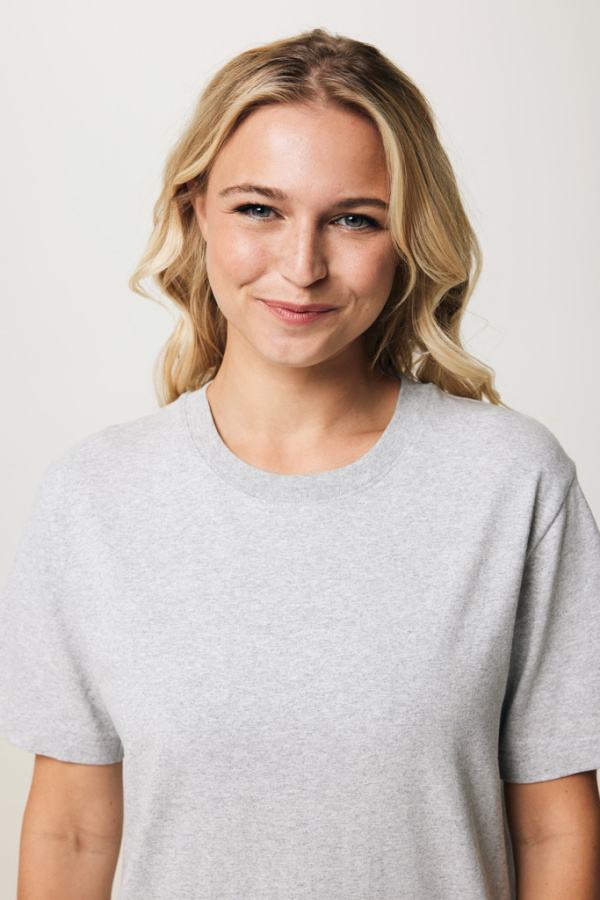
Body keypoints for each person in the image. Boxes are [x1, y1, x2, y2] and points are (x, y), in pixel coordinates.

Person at [1, 26, 599, 900]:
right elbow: (73, 831)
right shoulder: (94, 497)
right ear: (195, 212)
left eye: (354, 219)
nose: (302, 264)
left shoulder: (511, 483)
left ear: (406, 238)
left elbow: (553, 825)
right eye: (259, 209)